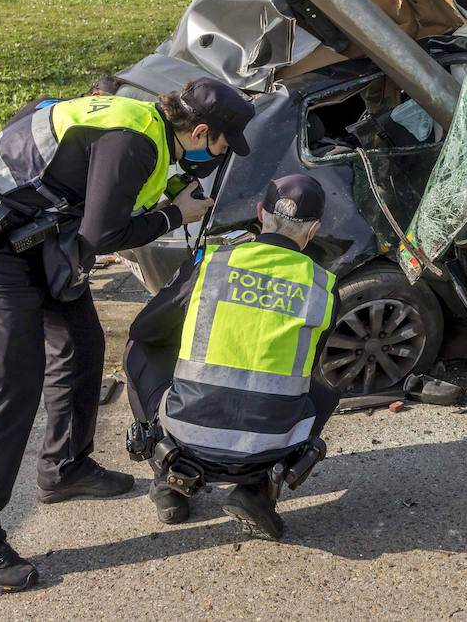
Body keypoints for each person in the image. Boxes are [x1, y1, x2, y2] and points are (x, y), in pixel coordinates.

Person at [0, 78, 255, 592]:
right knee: (9, 388)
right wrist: (176, 214)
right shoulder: (135, 141)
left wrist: (164, 195)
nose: (220, 155)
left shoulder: (140, 119)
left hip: (33, 236)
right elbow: (102, 235)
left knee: (83, 345)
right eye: (222, 144)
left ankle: (65, 467)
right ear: (199, 131)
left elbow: (37, 113)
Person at [124, 173, 337, 537]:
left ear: (260, 213)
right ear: (313, 230)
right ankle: (257, 491)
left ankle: (169, 479)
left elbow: (147, 330)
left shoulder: (212, 265)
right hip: (270, 448)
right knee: (327, 383)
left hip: (188, 438)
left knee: (138, 349)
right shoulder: (323, 288)